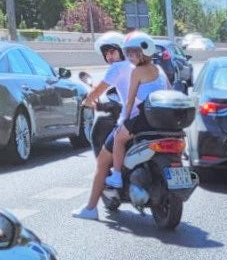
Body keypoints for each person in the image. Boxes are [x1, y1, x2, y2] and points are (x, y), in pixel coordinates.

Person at [71, 32, 131, 221]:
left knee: (103, 161)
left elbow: (98, 90)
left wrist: (87, 102)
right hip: (150, 117)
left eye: (112, 51)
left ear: (122, 51)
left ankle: (90, 208)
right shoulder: (139, 67)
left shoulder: (118, 68)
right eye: (106, 54)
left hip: (131, 120)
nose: (109, 57)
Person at [103, 31, 168, 190]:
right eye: (128, 53)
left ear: (144, 53)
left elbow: (130, 100)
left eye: (134, 53)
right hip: (165, 118)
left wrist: (122, 121)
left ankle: (117, 176)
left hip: (146, 118)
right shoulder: (159, 69)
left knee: (118, 138)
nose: (130, 57)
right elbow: (170, 90)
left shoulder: (136, 72)